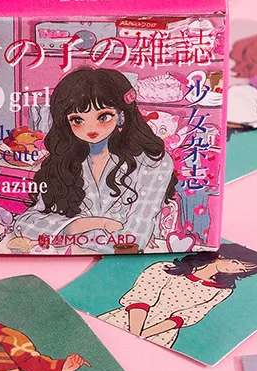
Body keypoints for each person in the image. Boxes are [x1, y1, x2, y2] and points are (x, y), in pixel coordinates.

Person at [14, 67, 174, 254]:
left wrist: (63, 234)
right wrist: (86, 224)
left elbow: (133, 241)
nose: (91, 128)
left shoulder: (153, 162)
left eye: (103, 117)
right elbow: (24, 224)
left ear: (121, 115)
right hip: (73, 258)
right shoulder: (65, 159)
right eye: (77, 120)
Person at [97, 245, 257, 349]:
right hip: (129, 320)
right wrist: (135, 333)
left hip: (162, 333)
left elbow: (190, 315)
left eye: (241, 269)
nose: (234, 269)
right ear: (222, 255)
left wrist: (145, 335)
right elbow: (141, 298)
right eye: (235, 262)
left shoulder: (221, 290)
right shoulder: (165, 268)